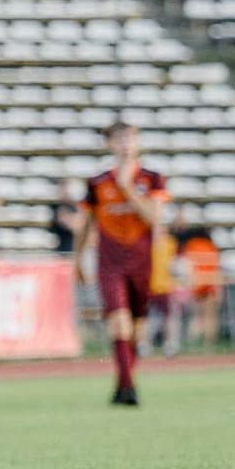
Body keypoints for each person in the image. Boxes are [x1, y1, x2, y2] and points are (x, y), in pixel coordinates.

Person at [76, 123, 168, 405]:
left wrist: (127, 189)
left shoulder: (152, 179)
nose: (125, 144)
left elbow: (153, 218)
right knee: (119, 322)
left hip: (142, 262)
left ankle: (122, 382)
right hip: (110, 263)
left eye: (130, 139)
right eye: (119, 139)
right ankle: (129, 388)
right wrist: (77, 259)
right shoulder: (97, 183)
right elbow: (86, 225)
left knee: (137, 329)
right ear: (111, 145)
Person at [174, 217, 222, 347]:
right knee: (209, 315)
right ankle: (209, 342)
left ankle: (195, 342)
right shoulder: (211, 247)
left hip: (196, 283)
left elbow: (187, 266)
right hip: (209, 283)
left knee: (196, 315)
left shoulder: (191, 246)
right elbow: (216, 267)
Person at [146, 219, 181, 357]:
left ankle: (170, 344)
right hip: (150, 286)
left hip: (165, 287)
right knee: (147, 318)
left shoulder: (170, 243)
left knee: (169, 317)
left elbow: (175, 264)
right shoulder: (147, 242)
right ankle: (145, 344)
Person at [50, 179, 82, 254]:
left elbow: (78, 225)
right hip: (63, 248)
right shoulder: (56, 207)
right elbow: (66, 223)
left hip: (73, 246)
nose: (66, 191)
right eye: (63, 189)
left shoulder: (74, 206)